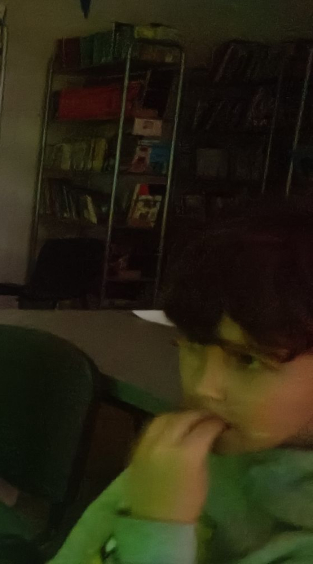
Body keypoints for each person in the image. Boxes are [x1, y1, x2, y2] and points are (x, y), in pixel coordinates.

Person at [50, 208, 313, 564]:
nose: (203, 387)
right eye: (193, 346)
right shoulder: (188, 458)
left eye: (247, 360)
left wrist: (157, 529)